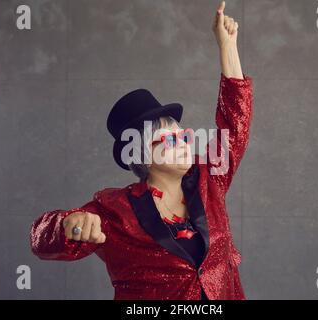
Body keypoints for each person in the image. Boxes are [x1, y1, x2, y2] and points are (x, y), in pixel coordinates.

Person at [30, 1, 253, 300]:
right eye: (170, 139)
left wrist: (227, 47)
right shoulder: (114, 210)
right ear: (142, 154)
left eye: (184, 135)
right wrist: (67, 225)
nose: (185, 142)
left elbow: (235, 122)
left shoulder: (209, 179)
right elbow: (41, 239)